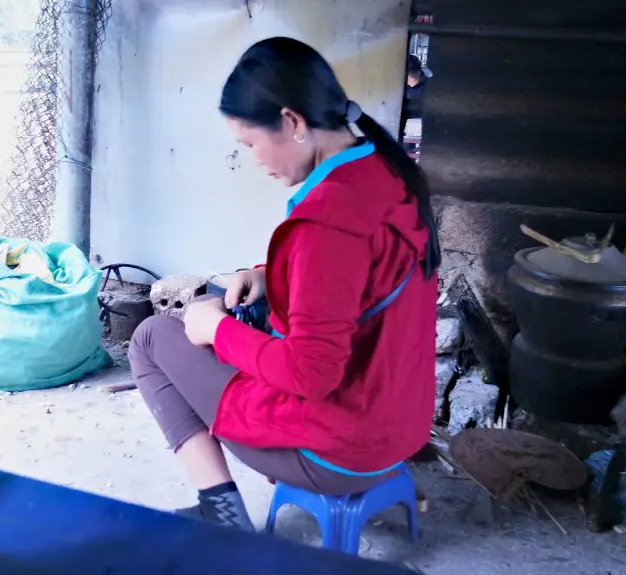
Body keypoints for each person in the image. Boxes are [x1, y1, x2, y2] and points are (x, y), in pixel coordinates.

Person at [129, 37, 440, 531]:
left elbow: (312, 375)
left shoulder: (324, 223)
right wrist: (267, 276)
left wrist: (216, 333)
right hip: (401, 423)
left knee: (153, 338)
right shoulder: (385, 172)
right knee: (219, 305)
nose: (253, 158)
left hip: (340, 450)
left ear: (293, 123)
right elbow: (363, 283)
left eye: (250, 142)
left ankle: (222, 513)